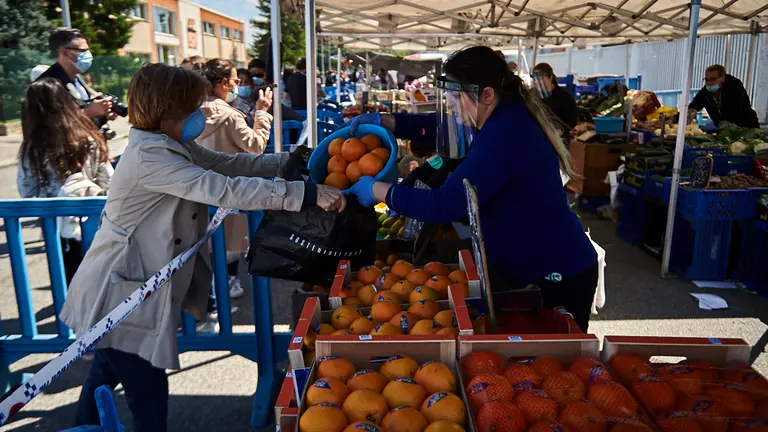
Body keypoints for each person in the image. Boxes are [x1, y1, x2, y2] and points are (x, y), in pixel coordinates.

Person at [60, 63, 345, 432]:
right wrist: (303, 193)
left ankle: (83, 425)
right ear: (169, 109)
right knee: (146, 390)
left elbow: (227, 164)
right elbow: (220, 188)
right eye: (193, 106)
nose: (201, 112)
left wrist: (290, 161)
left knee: (108, 370)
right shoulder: (152, 157)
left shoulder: (173, 144)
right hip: (120, 290)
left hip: (130, 287)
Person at [348, 46, 598, 330]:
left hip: (555, 272)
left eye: (456, 96)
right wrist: (390, 121)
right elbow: (441, 127)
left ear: (487, 94)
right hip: (531, 264)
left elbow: (444, 205)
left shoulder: (507, 132)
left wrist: (379, 190)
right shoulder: (500, 116)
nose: (452, 105)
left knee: (553, 367)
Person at [18, 78, 113, 283]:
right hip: (93, 218)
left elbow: (26, 190)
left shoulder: (32, 147)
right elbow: (109, 180)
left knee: (67, 280)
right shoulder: (88, 137)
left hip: (56, 225)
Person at [197, 58, 274, 306]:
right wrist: (262, 114)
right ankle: (228, 285)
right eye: (236, 81)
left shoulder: (189, 113)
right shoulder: (230, 117)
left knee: (201, 246)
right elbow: (255, 147)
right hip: (228, 188)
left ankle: (206, 296)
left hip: (196, 189)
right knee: (230, 245)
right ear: (223, 83)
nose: (238, 86)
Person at [36, 28, 115, 123]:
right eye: (82, 51)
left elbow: (85, 121)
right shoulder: (46, 86)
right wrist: (88, 112)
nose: (88, 55)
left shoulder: (77, 78)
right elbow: (51, 126)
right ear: (64, 52)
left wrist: (102, 115)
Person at [689, 64, 759, 128]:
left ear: (722, 78)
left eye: (713, 79)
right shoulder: (706, 91)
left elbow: (733, 110)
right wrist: (689, 113)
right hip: (723, 129)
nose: (709, 83)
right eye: (707, 80)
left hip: (745, 127)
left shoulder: (734, 85)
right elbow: (695, 104)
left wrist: (719, 125)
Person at [531, 63, 578, 146]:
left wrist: (560, 130)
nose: (539, 83)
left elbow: (572, 120)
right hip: (536, 140)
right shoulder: (531, 95)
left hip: (558, 142)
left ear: (550, 77)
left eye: (541, 79)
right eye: (536, 80)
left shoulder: (564, 96)